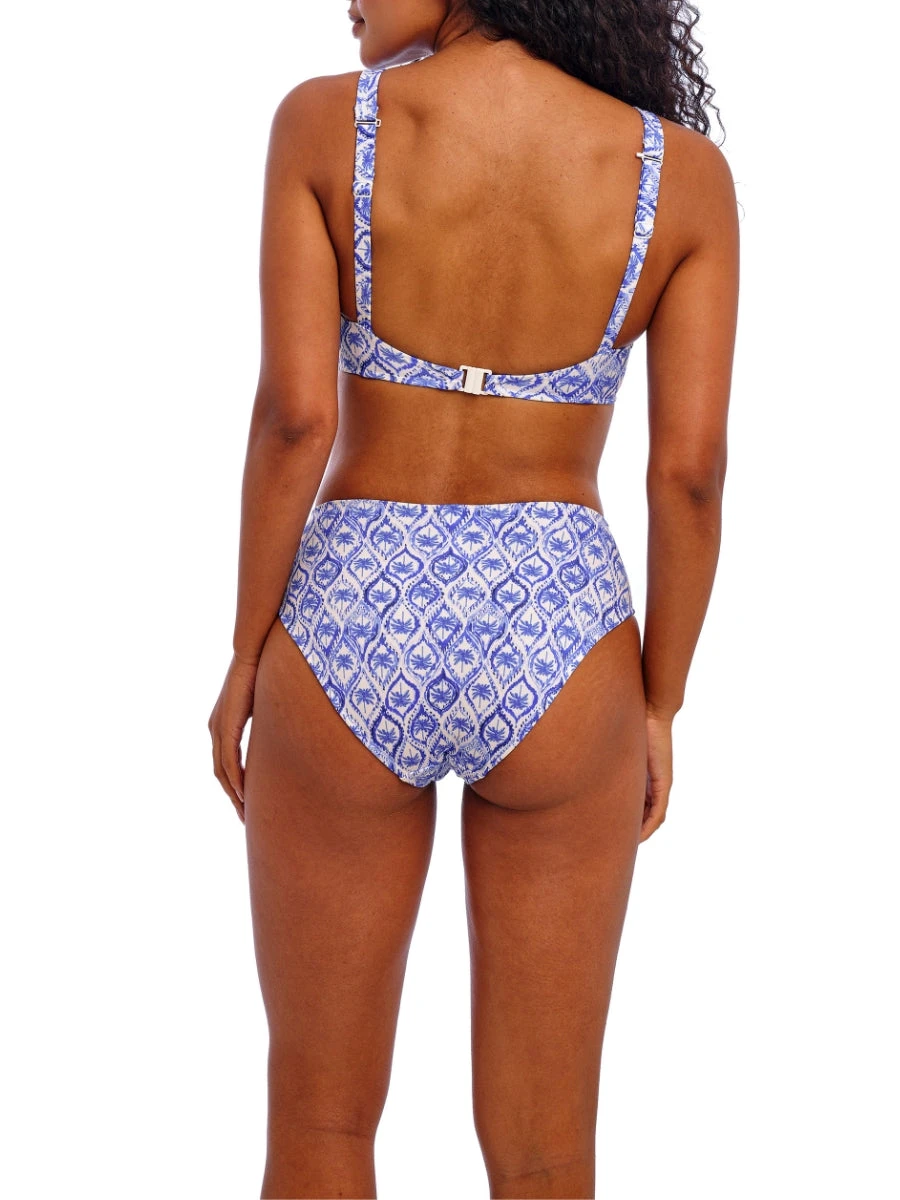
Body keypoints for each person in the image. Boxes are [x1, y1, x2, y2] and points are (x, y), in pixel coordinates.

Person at [208, 1, 738, 1195]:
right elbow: (689, 476)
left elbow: (295, 420)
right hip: (561, 631)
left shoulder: (323, 126)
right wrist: (660, 704)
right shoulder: (682, 176)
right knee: (545, 1150)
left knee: (321, 1123)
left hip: (349, 617)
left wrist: (245, 656)